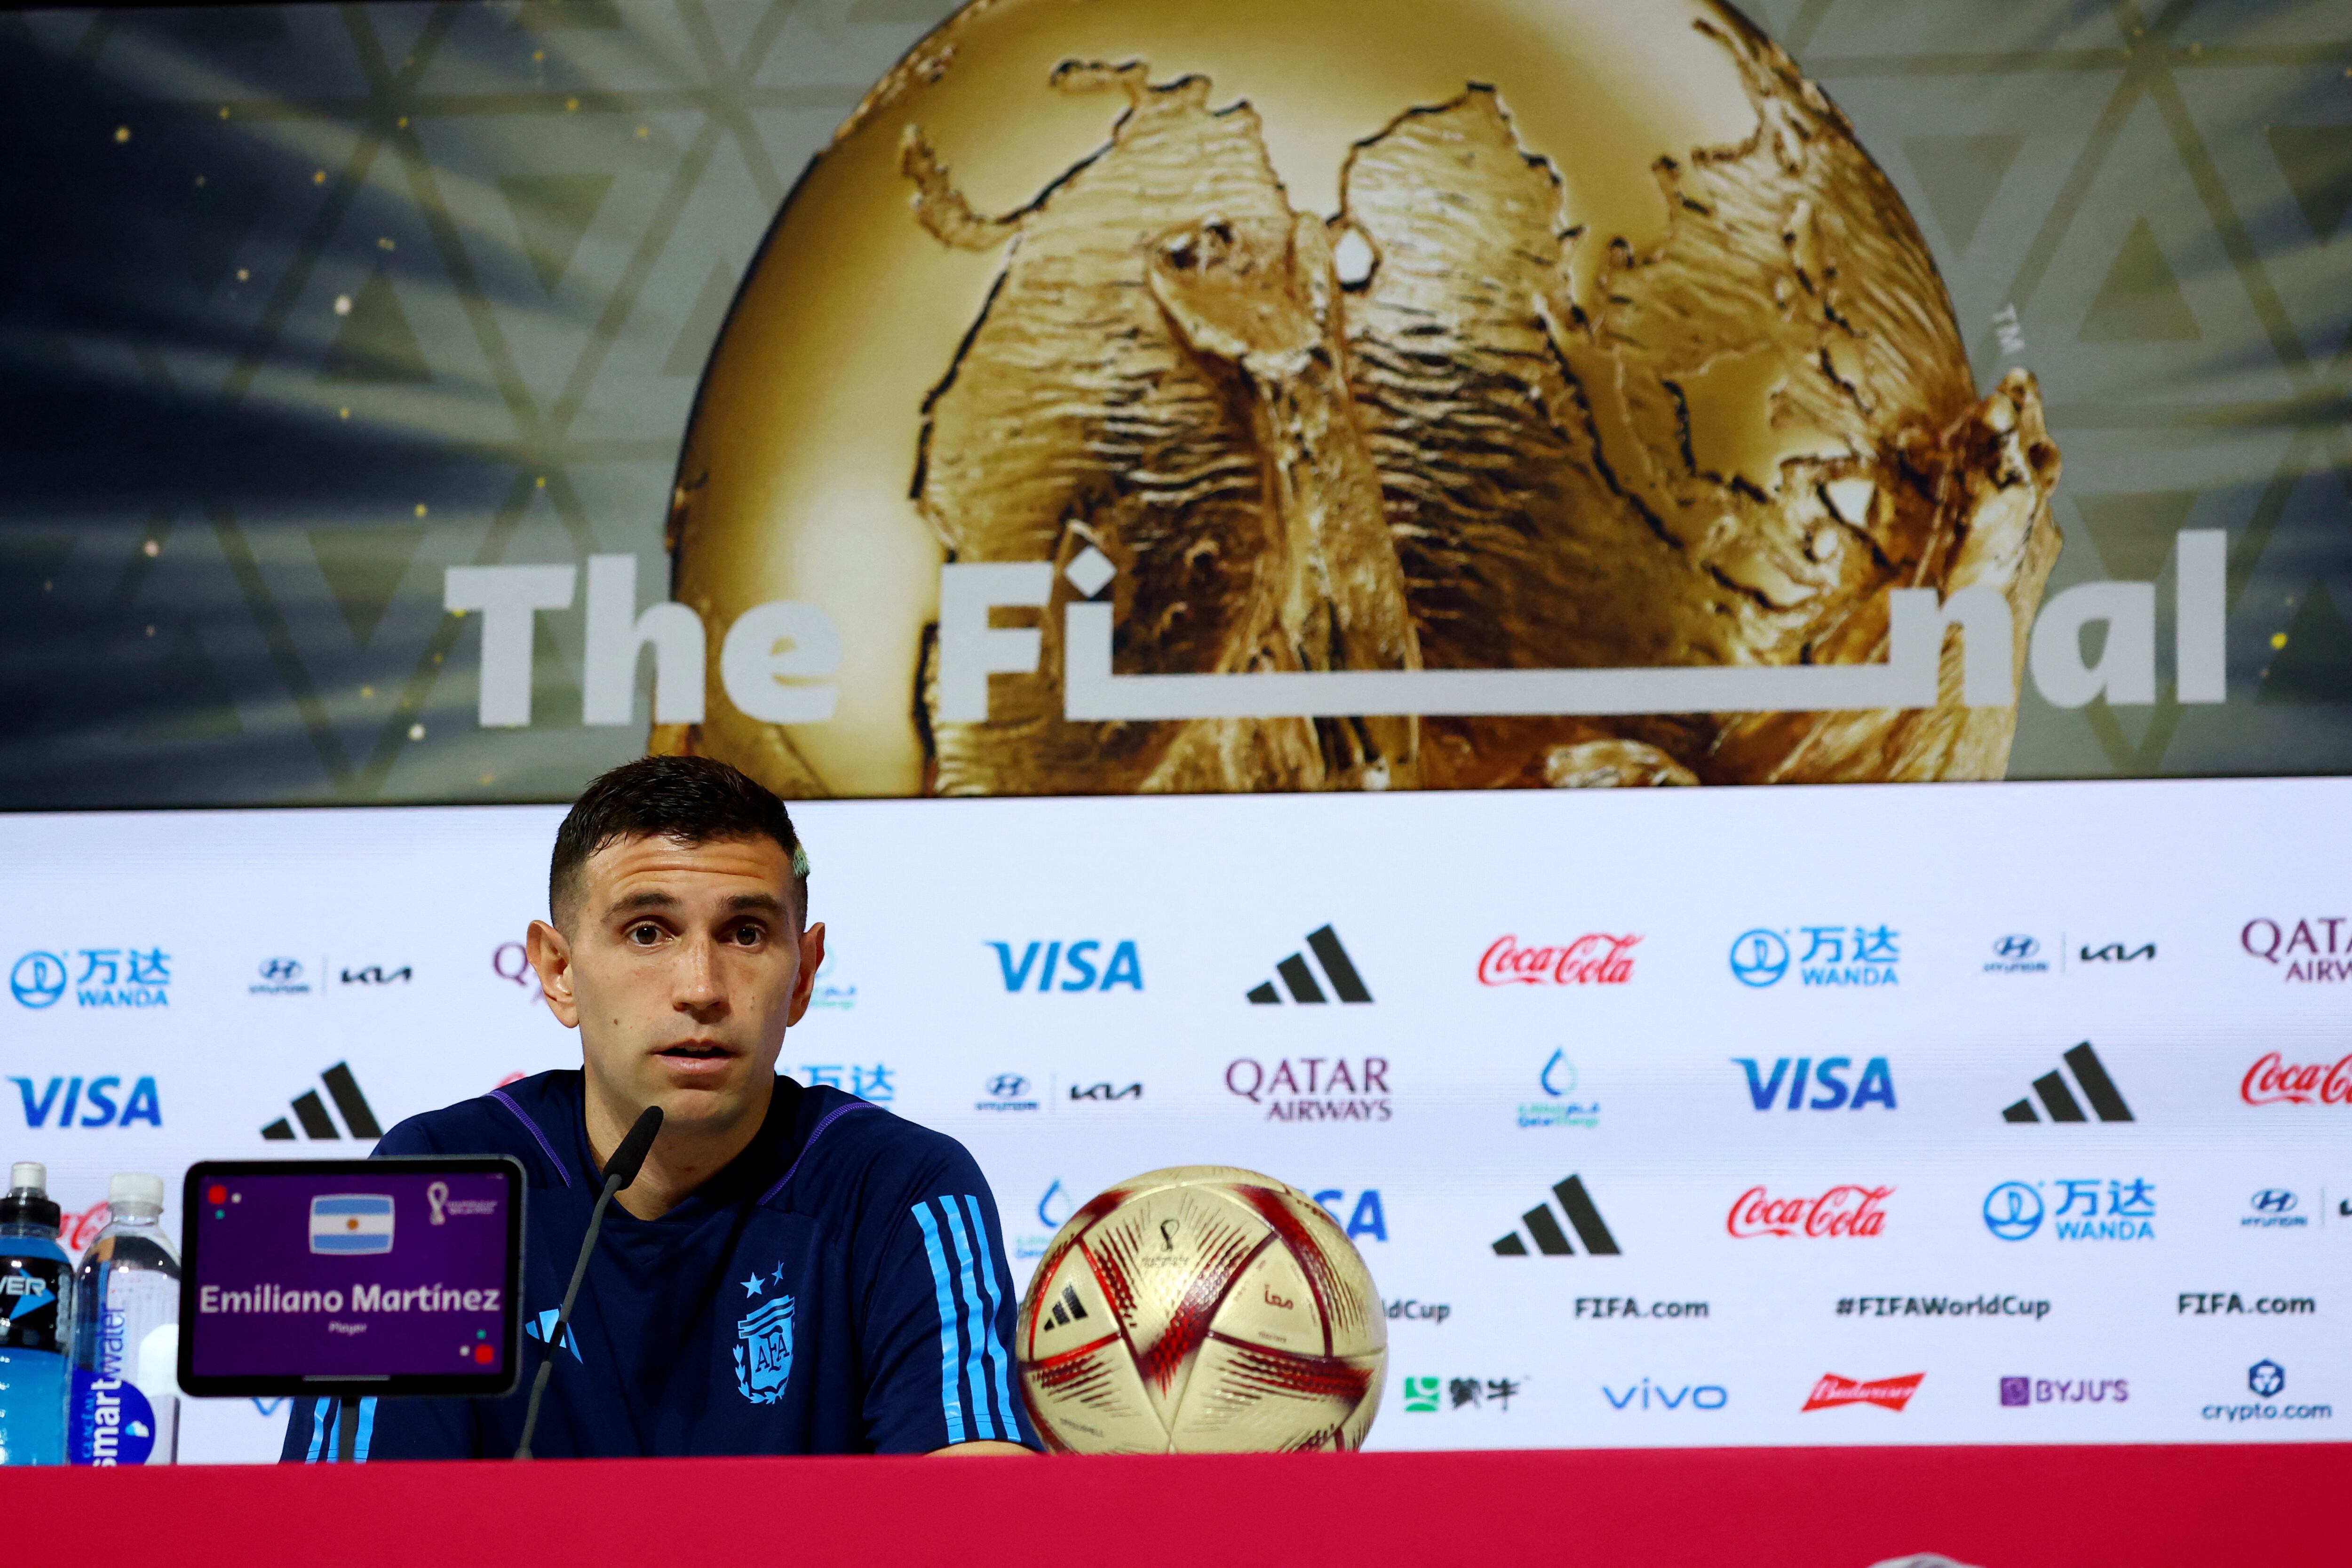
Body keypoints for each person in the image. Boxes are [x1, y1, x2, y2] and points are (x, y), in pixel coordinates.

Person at [283, 756, 1036, 1460]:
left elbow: (978, 1522)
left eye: (746, 933)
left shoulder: (901, 1188)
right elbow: (344, 1529)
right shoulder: (440, 1184)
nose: (702, 986)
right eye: (648, 932)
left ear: (803, 974)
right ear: (559, 971)